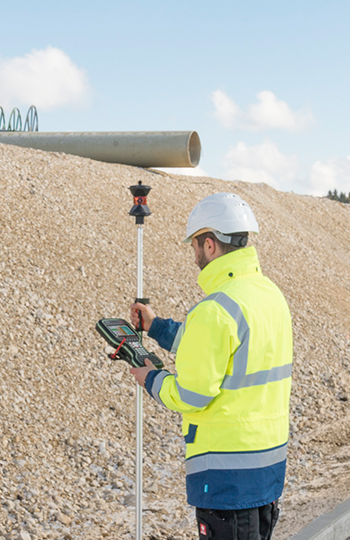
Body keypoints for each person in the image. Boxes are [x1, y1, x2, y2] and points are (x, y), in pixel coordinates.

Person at [127, 192, 293, 540]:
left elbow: (192, 394)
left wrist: (150, 379)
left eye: (195, 247)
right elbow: (214, 349)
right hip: (266, 467)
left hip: (226, 477)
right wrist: (155, 326)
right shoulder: (269, 296)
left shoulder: (215, 309)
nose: (195, 256)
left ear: (211, 244)